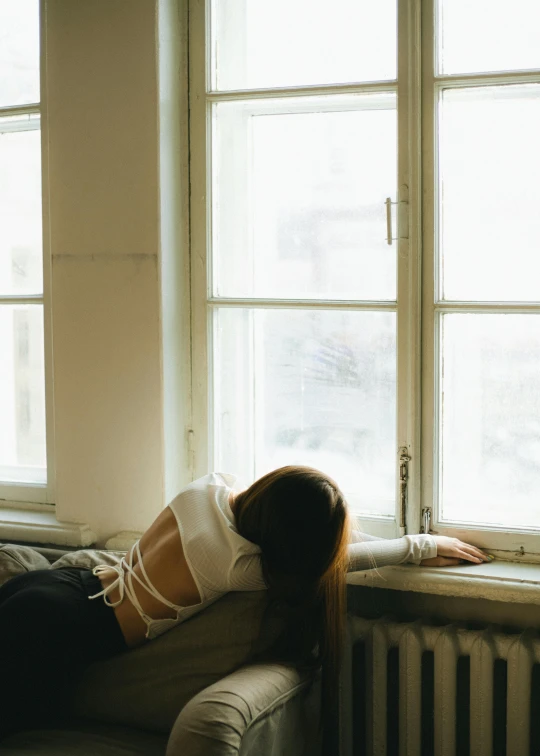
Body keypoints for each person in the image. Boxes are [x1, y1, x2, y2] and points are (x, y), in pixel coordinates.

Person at [0, 466, 489, 741]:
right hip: (66, 627)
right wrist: (419, 545)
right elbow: (343, 561)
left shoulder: (205, 489)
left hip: (60, 585)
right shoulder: (234, 567)